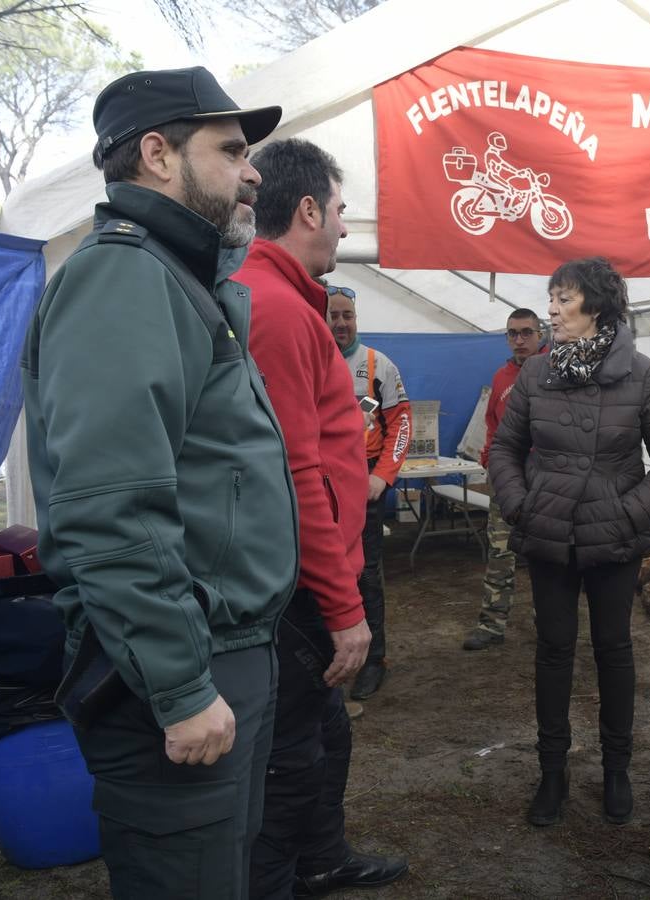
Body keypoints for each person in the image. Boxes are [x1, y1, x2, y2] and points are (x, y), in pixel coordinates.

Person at [21, 67, 296, 899]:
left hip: (223, 653)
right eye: (233, 150)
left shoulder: (179, 281)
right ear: (156, 155)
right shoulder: (125, 277)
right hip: (178, 670)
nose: (254, 172)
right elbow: (111, 514)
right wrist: (179, 688)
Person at [238, 138, 407, 899]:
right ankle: (282, 877)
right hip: (297, 588)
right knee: (289, 753)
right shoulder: (273, 308)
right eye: (339, 212)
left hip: (307, 574)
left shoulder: (289, 303)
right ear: (307, 209)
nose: (344, 229)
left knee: (322, 733)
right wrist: (342, 605)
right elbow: (294, 472)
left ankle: (323, 854)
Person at [489, 257, 650, 827]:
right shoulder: (535, 374)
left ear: (596, 306)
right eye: (551, 297)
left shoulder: (644, 375)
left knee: (614, 650)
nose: (550, 308)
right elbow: (504, 449)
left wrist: (631, 511)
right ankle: (551, 772)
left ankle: (616, 770)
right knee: (553, 654)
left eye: (563, 299)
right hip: (550, 534)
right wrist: (520, 504)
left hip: (614, 538)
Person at [329, 289, 412, 700]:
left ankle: (374, 661)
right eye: (333, 315)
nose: (340, 323)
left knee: (365, 576)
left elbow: (401, 424)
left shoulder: (378, 364)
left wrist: (383, 476)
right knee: (320, 573)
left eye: (347, 315)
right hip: (318, 482)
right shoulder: (307, 354)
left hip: (364, 484)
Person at [461, 308, 547, 651]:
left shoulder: (557, 371)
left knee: (546, 557)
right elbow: (493, 428)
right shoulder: (501, 378)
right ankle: (492, 624)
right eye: (513, 333)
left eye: (526, 332)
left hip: (545, 482)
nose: (519, 339)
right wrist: (491, 464)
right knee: (499, 553)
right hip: (507, 481)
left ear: (540, 334)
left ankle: (550, 625)